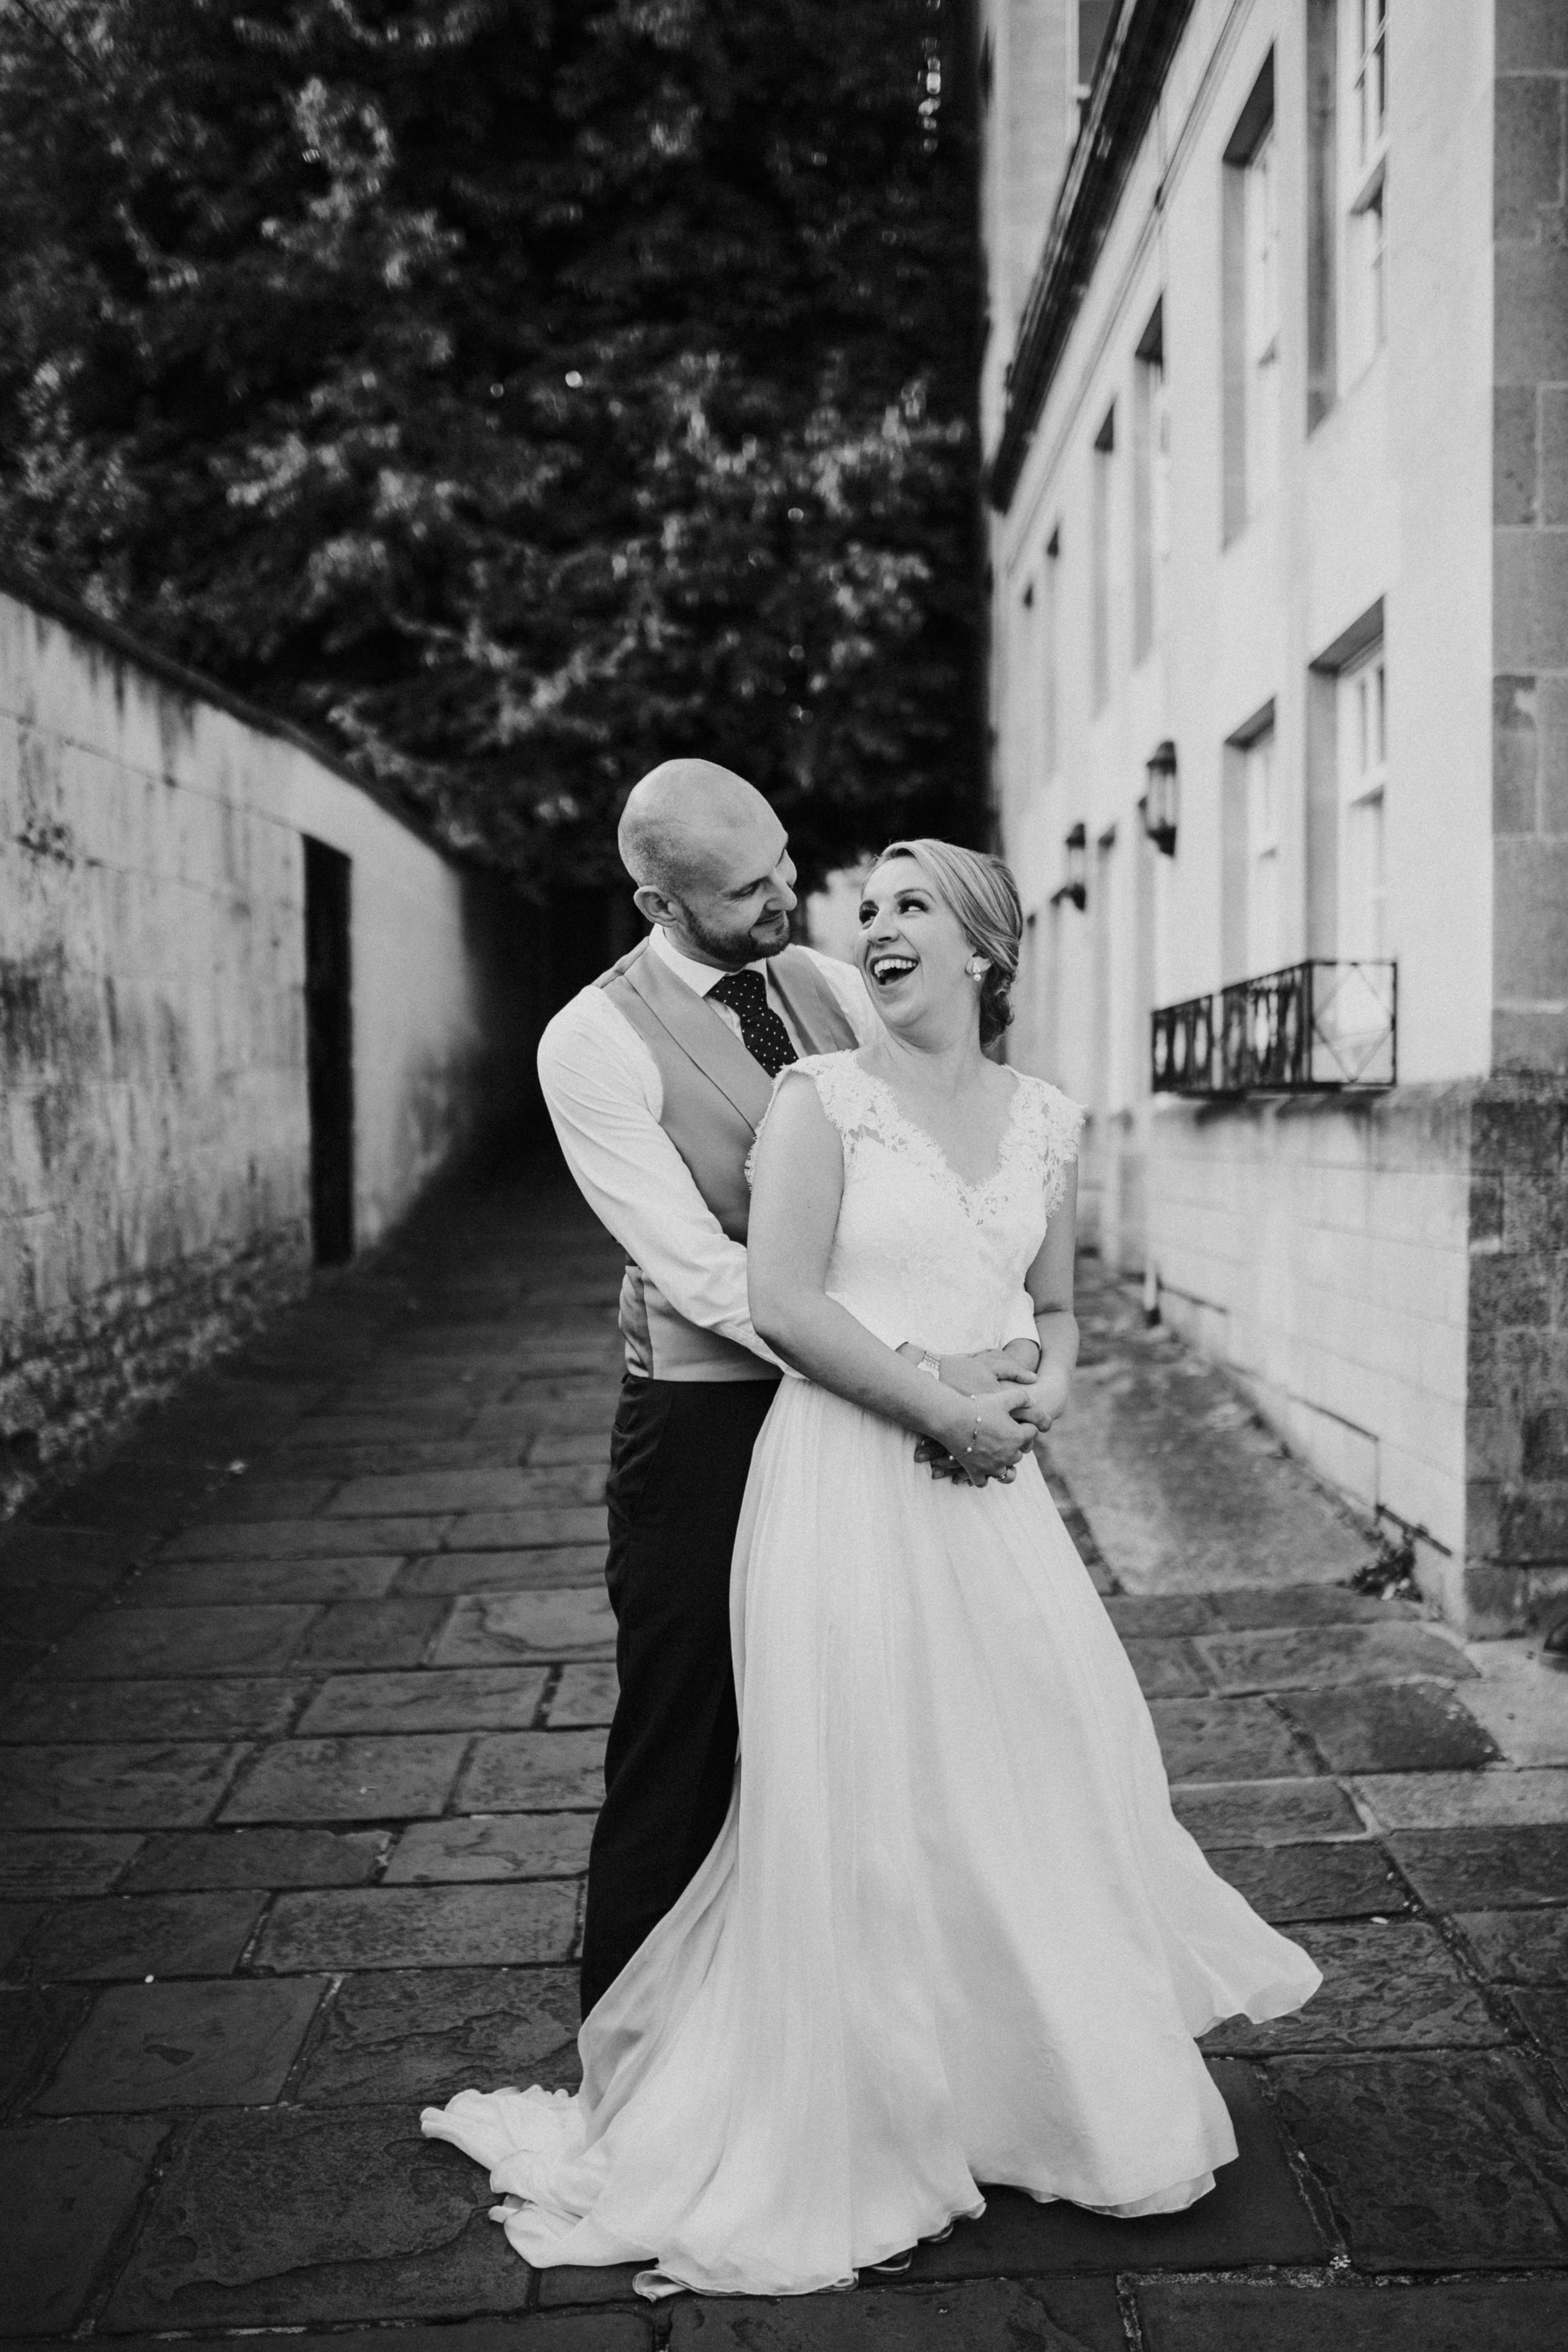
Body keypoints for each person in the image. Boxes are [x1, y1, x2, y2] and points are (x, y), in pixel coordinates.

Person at [425, 836, 1321, 2298]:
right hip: (833, 1460)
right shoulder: (769, 1084)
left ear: (983, 949)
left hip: (990, 1489)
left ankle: (1023, 2086)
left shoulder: (1020, 1104)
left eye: (910, 905)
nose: (860, 920)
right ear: (666, 902)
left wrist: (1043, 1389)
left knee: (1029, 1763)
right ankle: (742, 2093)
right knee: (800, 1768)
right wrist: (941, 1398)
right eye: (865, 903)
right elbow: (768, 1294)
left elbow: (1057, 1305)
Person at [533, 758, 887, 2013]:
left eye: (785, 861)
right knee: (684, 1722)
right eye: (745, 891)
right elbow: (693, 1268)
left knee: (858, 1705)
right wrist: (889, 1368)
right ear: (656, 901)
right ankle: (634, 2046)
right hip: (705, 1420)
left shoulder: (833, 985)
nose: (786, 897)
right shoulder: (590, 1042)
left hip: (859, 1399)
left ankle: (830, 2013)